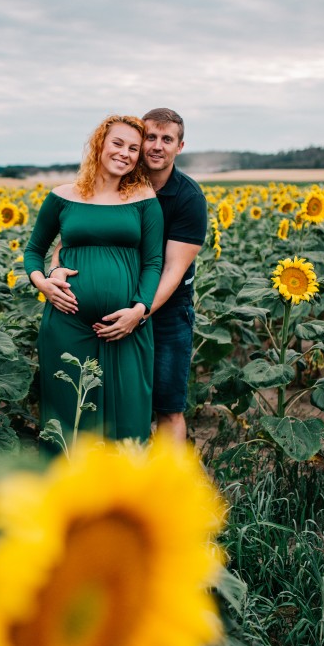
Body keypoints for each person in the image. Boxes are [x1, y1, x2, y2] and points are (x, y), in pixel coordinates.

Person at [50, 107, 207, 442]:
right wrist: (53, 270)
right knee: (104, 403)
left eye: (167, 139)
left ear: (179, 147)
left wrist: (139, 312)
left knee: (167, 405)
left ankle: (167, 488)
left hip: (165, 313)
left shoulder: (188, 198)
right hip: (104, 318)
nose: (157, 145)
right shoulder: (114, 183)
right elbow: (71, 239)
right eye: (150, 136)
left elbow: (171, 270)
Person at [23, 114, 163, 444]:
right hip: (67, 324)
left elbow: (153, 262)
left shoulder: (143, 199)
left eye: (133, 148)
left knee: (129, 421)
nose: (124, 153)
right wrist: (43, 282)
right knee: (69, 422)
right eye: (117, 143)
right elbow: (33, 251)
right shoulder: (62, 196)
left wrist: (139, 311)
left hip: (125, 327)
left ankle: (126, 495)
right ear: (99, 144)